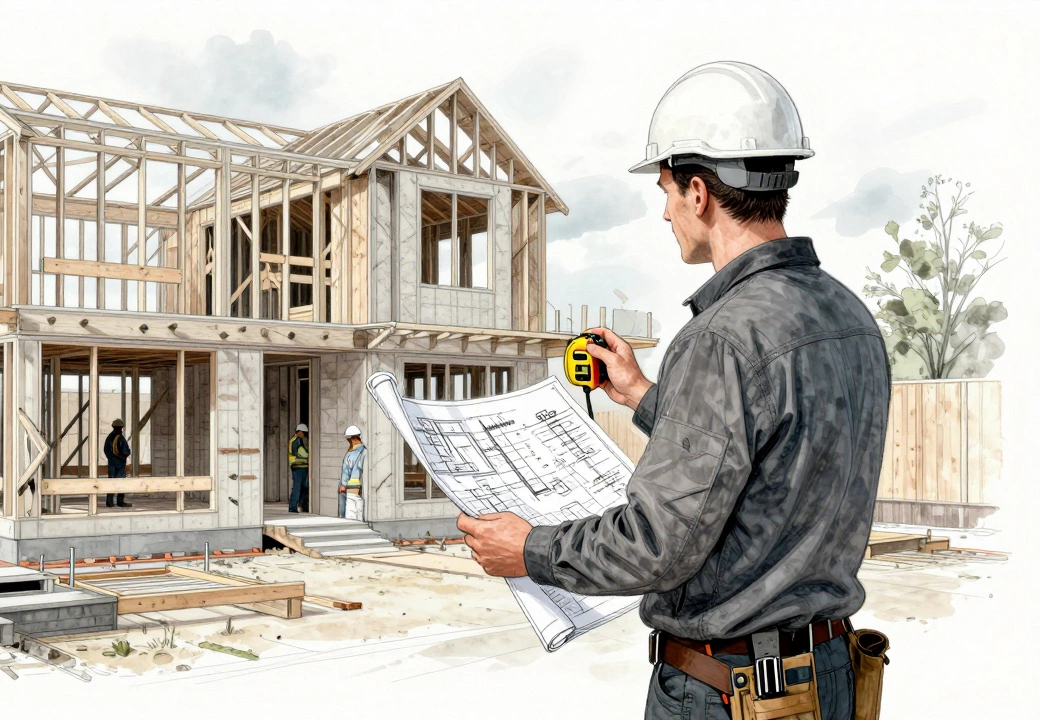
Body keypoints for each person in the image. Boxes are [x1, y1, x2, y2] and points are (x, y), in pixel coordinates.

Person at [456, 61, 890, 720]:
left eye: (664, 191)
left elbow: (657, 545)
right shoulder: (850, 318)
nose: (664, 214)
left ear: (698, 192)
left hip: (730, 689)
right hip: (830, 677)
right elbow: (772, 455)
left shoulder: (722, 336)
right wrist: (641, 395)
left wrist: (528, 549)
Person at [103, 419, 133, 508]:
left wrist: (111, 458)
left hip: (111, 463)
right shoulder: (120, 437)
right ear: (121, 428)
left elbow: (106, 450)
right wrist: (125, 455)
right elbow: (125, 451)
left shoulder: (109, 437)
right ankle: (120, 502)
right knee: (121, 483)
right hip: (120, 464)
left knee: (111, 482)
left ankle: (109, 502)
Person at [337, 426, 366, 519]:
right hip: (362, 489)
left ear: (351, 439)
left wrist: (343, 485)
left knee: (351, 515)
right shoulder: (366, 451)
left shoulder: (350, 454)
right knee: (360, 514)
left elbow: (346, 471)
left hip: (351, 489)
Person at [287, 423, 310, 513]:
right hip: (298, 467)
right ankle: (293, 507)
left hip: (302, 466)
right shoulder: (296, 441)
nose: (304, 435)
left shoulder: (298, 440)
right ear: (299, 432)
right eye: (304, 433)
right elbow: (304, 453)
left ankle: (302, 505)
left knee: (304, 487)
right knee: (297, 487)